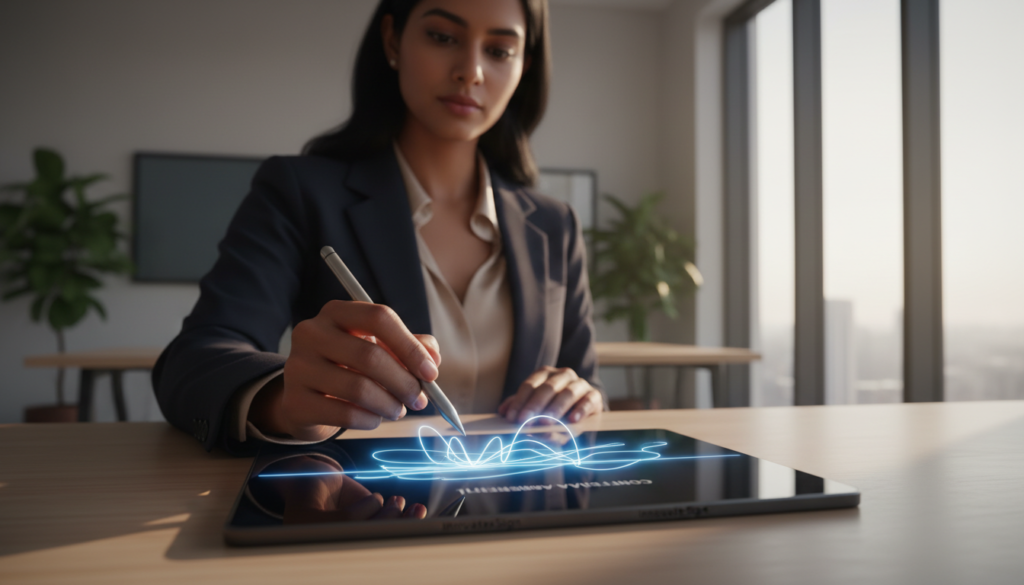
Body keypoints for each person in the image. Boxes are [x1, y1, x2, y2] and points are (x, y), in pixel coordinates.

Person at [153, 0, 603, 456]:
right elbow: (194, 361)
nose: (471, 72)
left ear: (524, 67)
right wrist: (283, 399)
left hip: (528, 494)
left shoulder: (554, 224)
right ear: (392, 40)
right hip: (365, 494)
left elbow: (582, 380)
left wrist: (577, 393)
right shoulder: (300, 192)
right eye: (443, 37)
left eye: (500, 51)